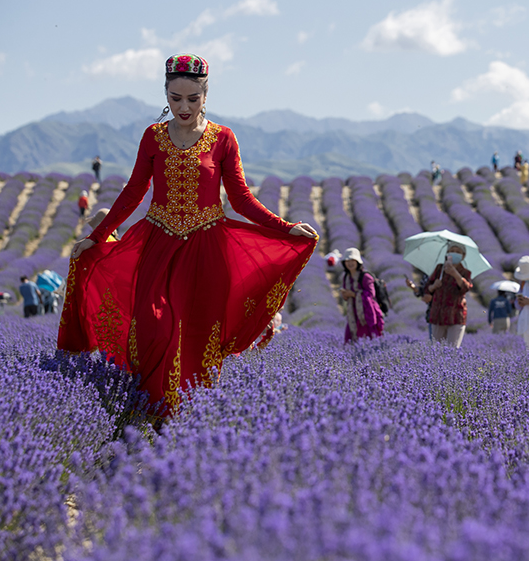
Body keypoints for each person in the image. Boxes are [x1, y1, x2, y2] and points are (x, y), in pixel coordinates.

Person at [59, 53, 318, 415]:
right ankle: (151, 413)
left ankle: (189, 420)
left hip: (207, 250)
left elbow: (241, 200)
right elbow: (133, 193)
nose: (183, 107)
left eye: (192, 99)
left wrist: (285, 227)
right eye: (175, 98)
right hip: (158, 246)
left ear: (205, 96)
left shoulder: (223, 138)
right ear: (165, 95)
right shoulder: (152, 137)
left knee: (199, 337)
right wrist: (97, 236)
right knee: (153, 330)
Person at [425, 242, 473, 348]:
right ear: (447, 253)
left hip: (455, 316)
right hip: (438, 315)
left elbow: (466, 288)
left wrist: (455, 273)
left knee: (452, 351)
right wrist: (433, 286)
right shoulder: (439, 269)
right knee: (436, 351)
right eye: (452, 251)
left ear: (463, 256)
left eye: (458, 252)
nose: (454, 253)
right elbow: (427, 289)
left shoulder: (465, 272)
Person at [339, 248, 385, 343]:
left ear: (358, 262)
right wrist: (345, 295)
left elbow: (371, 294)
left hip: (367, 314)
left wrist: (354, 294)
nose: (350, 263)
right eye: (347, 261)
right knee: (351, 341)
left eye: (352, 260)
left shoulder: (365, 276)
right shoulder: (346, 277)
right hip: (353, 314)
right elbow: (347, 297)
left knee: (369, 340)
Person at [405, 272, 433, 340]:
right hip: (433, 313)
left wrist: (433, 298)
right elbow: (422, 291)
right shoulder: (428, 273)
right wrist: (413, 287)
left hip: (449, 314)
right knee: (435, 343)